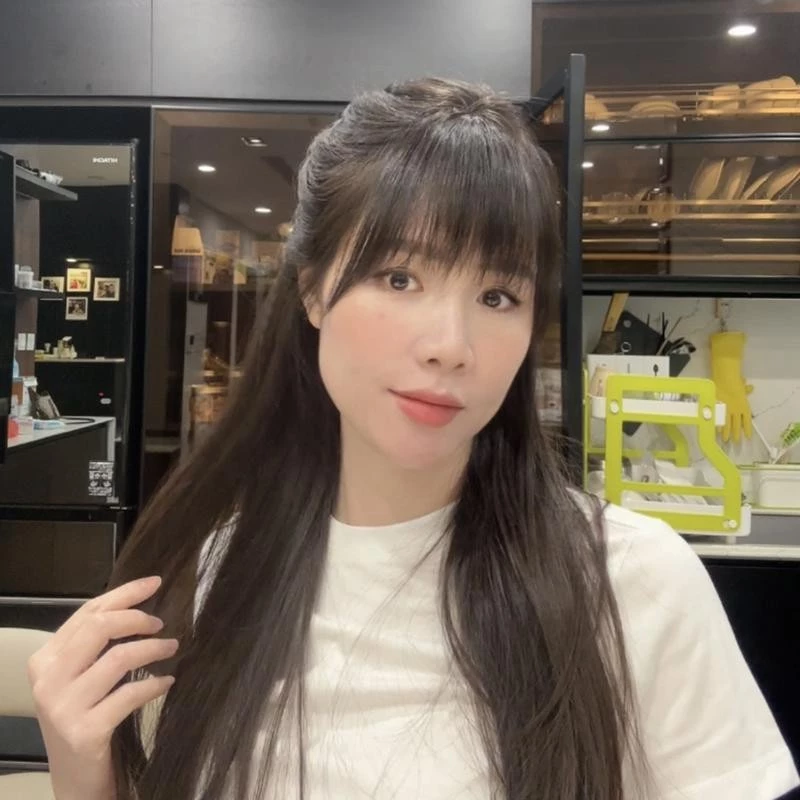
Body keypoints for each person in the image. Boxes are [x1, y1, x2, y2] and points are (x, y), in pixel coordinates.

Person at [27, 78, 798, 800]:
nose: (450, 346)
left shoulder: (630, 582)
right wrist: (82, 771)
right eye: (400, 278)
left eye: (498, 295)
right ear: (313, 290)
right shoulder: (220, 571)